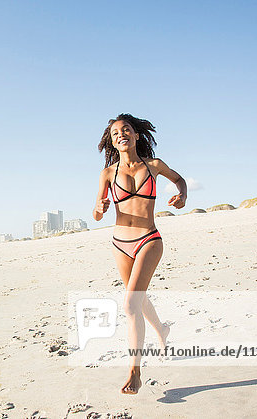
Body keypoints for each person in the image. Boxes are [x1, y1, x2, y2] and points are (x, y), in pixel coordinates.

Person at [92, 114, 186, 395]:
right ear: (112, 141)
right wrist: (100, 206)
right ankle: (162, 331)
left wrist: (182, 195)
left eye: (126, 129)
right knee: (138, 297)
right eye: (115, 133)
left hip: (149, 239)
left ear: (135, 135)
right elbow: (96, 215)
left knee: (130, 304)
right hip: (120, 243)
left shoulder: (154, 165)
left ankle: (134, 370)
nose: (121, 134)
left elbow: (179, 180)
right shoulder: (107, 173)